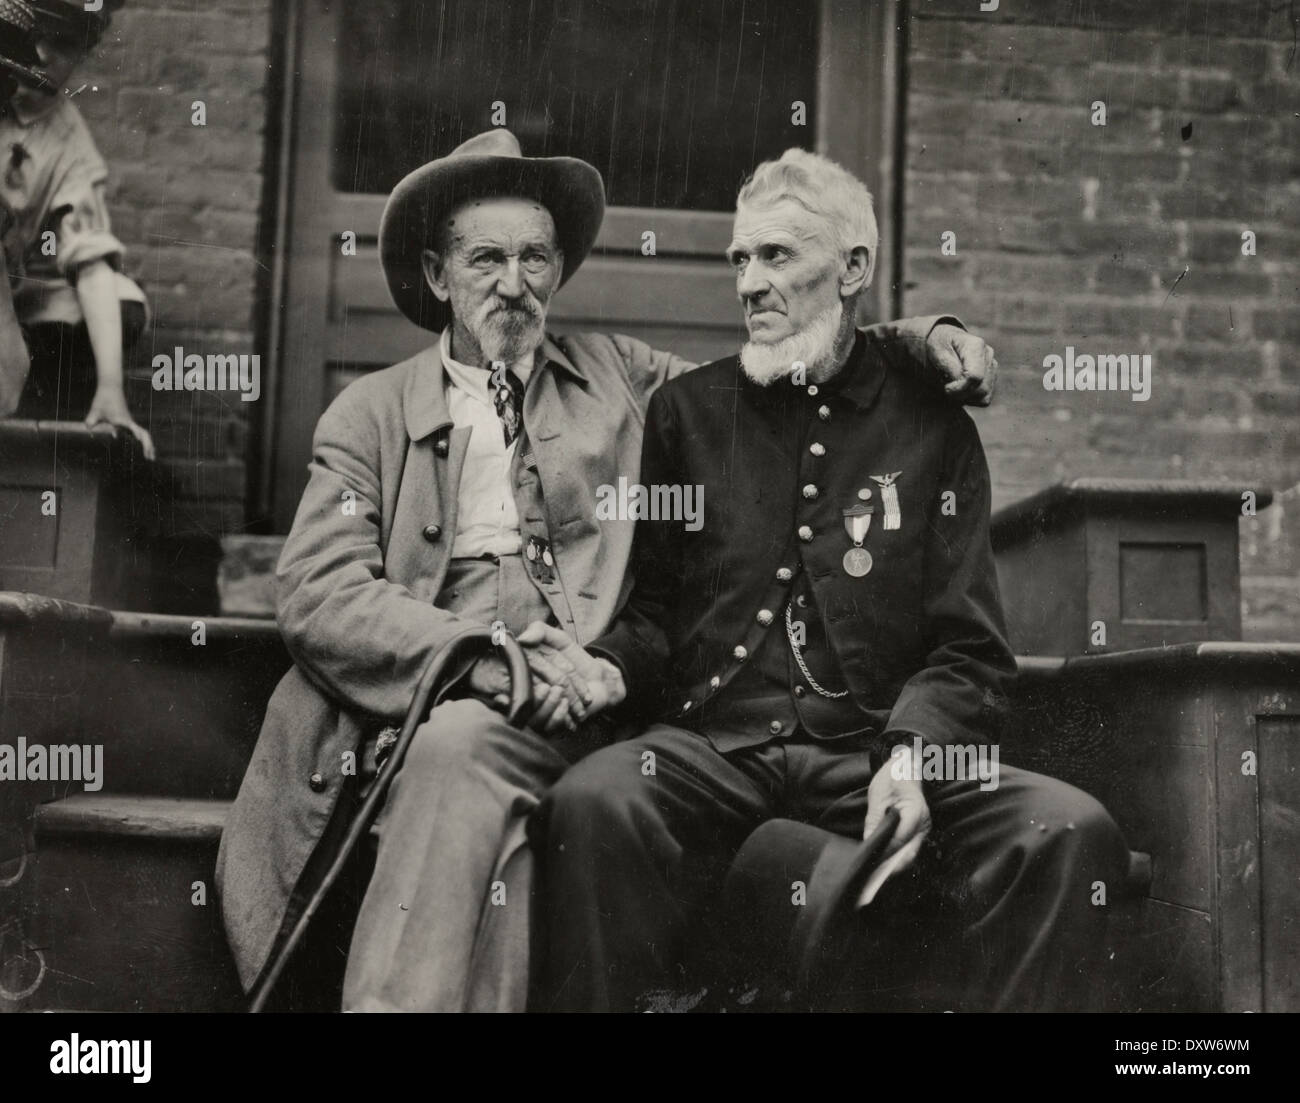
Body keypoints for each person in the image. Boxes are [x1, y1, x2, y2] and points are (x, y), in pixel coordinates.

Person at [215, 128, 1000, 1012]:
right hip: (432, 704)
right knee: (466, 763)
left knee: (504, 786)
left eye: (536, 258)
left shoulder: (622, 377)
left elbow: (786, 358)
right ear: (438, 276)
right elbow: (320, 590)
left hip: (593, 702)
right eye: (486, 259)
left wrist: (919, 339)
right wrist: (481, 657)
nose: (514, 285)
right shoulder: (369, 415)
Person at [529, 148, 1130, 1013]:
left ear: (854, 268)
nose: (748, 283)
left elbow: (970, 650)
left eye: (777, 256)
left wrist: (910, 755)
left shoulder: (933, 427)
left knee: (1069, 830)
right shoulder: (686, 414)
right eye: (740, 258)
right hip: (714, 751)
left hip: (873, 752)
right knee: (593, 800)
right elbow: (655, 613)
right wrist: (606, 666)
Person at [0, 0, 154, 460]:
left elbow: (89, 259)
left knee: (118, 301)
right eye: (36, 36)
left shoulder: (65, 138)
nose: (42, 54)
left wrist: (111, 390)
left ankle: (41, 447)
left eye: (63, 43)